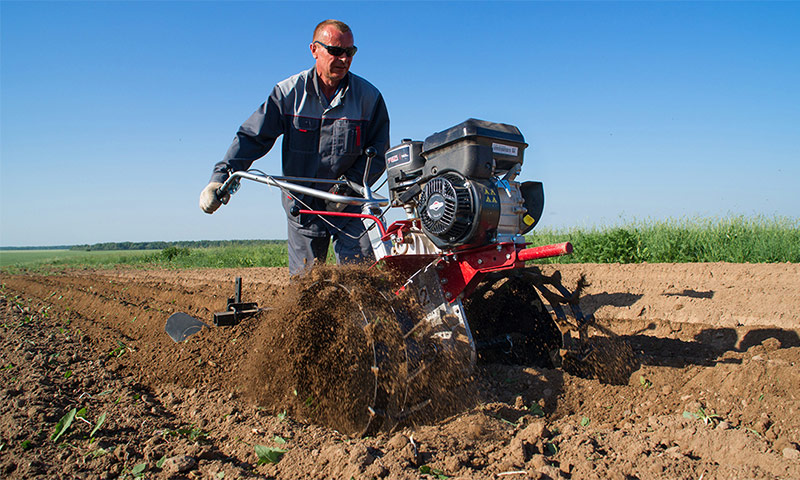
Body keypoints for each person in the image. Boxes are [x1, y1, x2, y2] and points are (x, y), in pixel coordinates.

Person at [199, 19, 390, 275]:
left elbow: (377, 152)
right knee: (306, 288)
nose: (344, 59)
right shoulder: (288, 94)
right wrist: (219, 178)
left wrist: (347, 185)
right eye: (335, 51)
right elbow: (253, 137)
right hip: (304, 206)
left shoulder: (369, 98)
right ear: (314, 49)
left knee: (363, 278)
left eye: (350, 52)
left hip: (347, 203)